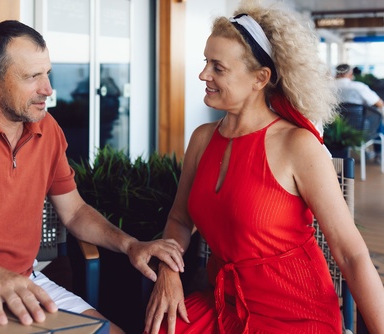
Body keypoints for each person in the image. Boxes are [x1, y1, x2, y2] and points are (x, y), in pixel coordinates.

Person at [0, 20, 185, 334]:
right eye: (31, 77)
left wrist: (130, 244)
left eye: (48, 74)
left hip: (23, 282)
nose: (48, 90)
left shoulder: (48, 129)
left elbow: (76, 212)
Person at [144, 1, 384, 333]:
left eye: (218, 67)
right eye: (205, 62)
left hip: (294, 313)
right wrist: (169, 272)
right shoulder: (202, 139)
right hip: (224, 303)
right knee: (159, 327)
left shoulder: (298, 145)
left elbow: (351, 254)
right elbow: (179, 218)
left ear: (260, 78)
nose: (203, 75)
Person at [335, 63, 384, 162]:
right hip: (360, 128)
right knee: (378, 122)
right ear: (350, 73)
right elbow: (379, 104)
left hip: (334, 129)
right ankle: (378, 154)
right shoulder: (358, 87)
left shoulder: (326, 87)